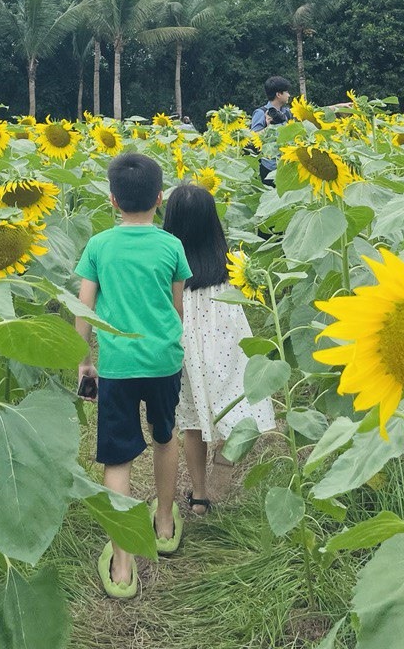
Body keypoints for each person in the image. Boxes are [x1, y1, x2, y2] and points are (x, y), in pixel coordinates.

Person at [74, 153, 192, 600]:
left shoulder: (100, 246)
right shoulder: (171, 246)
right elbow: (177, 308)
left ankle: (122, 565)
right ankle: (164, 523)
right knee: (165, 437)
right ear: (159, 199)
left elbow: (83, 310)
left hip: (119, 366)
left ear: (112, 200)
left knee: (117, 459)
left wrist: (85, 362)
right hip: (163, 360)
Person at [163, 182, 275, 514]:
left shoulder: (169, 265)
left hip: (186, 351)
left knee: (193, 422)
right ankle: (221, 477)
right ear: (213, 223)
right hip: (228, 349)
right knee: (237, 411)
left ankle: (199, 496)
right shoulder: (232, 263)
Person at [250, 76, 293, 184]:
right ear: (278, 94)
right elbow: (252, 137)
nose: (289, 95)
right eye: (286, 92)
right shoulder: (261, 112)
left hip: (286, 164)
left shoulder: (286, 112)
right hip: (269, 166)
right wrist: (268, 127)